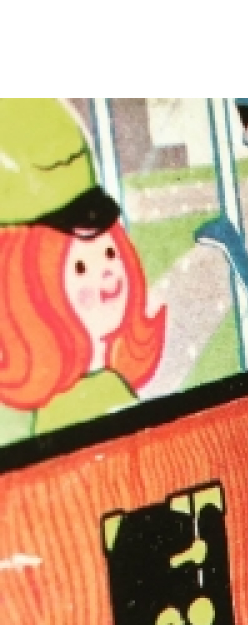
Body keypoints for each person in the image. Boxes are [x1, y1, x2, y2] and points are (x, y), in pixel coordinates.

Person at [0, 98, 165, 436]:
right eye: (78, 267)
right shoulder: (58, 412)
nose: (108, 274)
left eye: (109, 253)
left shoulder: (107, 386)